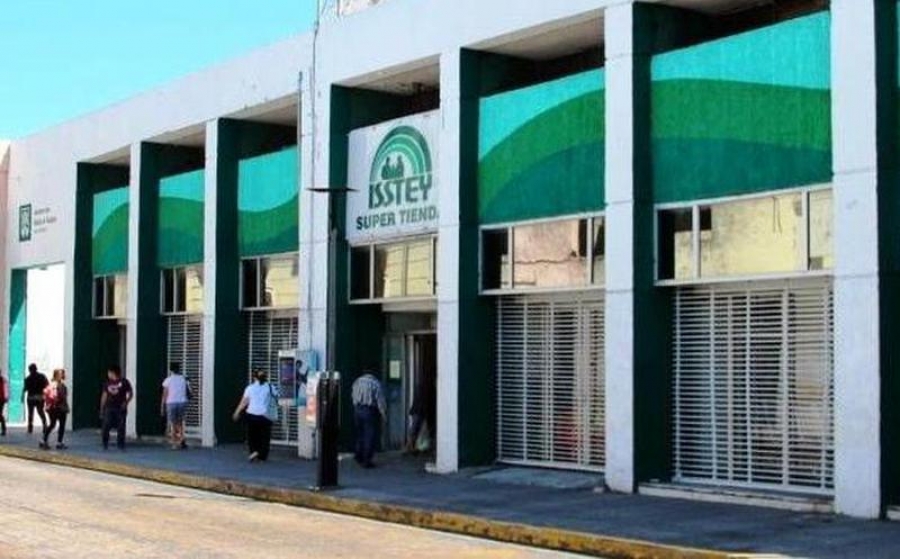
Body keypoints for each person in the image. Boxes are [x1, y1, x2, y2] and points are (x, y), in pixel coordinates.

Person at [232, 370, 275, 463]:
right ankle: (262, 456)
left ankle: (253, 451)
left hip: (251, 414)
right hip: (265, 415)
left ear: (254, 378)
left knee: (252, 436)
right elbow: (276, 397)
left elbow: (244, 402)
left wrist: (237, 412)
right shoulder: (270, 387)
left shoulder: (250, 388)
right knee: (265, 436)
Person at [351, 369, 386, 468]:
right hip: (369, 410)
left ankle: (358, 454)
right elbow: (380, 400)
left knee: (360, 433)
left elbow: (353, 395)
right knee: (369, 435)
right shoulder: (375, 383)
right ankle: (367, 460)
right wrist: (383, 413)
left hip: (357, 409)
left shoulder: (357, 382)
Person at [99, 366, 133, 450]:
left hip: (120, 407)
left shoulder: (124, 382)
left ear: (113, 373)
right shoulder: (107, 383)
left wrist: (126, 402)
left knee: (121, 426)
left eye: (109, 373)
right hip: (109, 407)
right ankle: (105, 443)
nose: (108, 374)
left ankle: (120, 444)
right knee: (106, 425)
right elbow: (104, 395)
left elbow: (130, 393)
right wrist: (102, 408)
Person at [405, 366, 436, 455]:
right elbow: (427, 400)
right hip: (422, 410)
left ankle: (410, 446)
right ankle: (412, 446)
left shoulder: (420, 385)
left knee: (415, 429)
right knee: (422, 429)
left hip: (417, 410)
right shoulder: (428, 387)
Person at [161, 363, 190, 450]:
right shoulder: (183, 379)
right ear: (178, 369)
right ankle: (182, 439)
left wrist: (162, 406)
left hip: (171, 402)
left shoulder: (168, 380)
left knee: (173, 424)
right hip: (182, 402)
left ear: (171, 370)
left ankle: (174, 443)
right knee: (180, 422)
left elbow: (165, 394)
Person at [40, 369, 69, 450]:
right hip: (58, 408)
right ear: (57, 375)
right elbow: (61, 397)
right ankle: (58, 442)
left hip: (53, 408)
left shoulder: (53, 385)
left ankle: (44, 440)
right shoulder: (58, 386)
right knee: (60, 425)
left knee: (53, 424)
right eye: (62, 374)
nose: (63, 375)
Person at [22, 364, 48, 435]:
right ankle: (44, 425)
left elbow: (25, 388)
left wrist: (22, 396)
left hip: (31, 397)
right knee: (40, 412)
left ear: (29, 370)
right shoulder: (42, 376)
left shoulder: (28, 378)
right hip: (39, 397)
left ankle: (30, 428)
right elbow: (46, 385)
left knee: (31, 413)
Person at [0, 371, 9, 437]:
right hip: (2, 399)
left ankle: (4, 429)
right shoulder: (3, 380)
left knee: (0, 414)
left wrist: (6, 397)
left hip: (1, 399)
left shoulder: (3, 380)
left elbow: (5, 389)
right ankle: (3, 429)